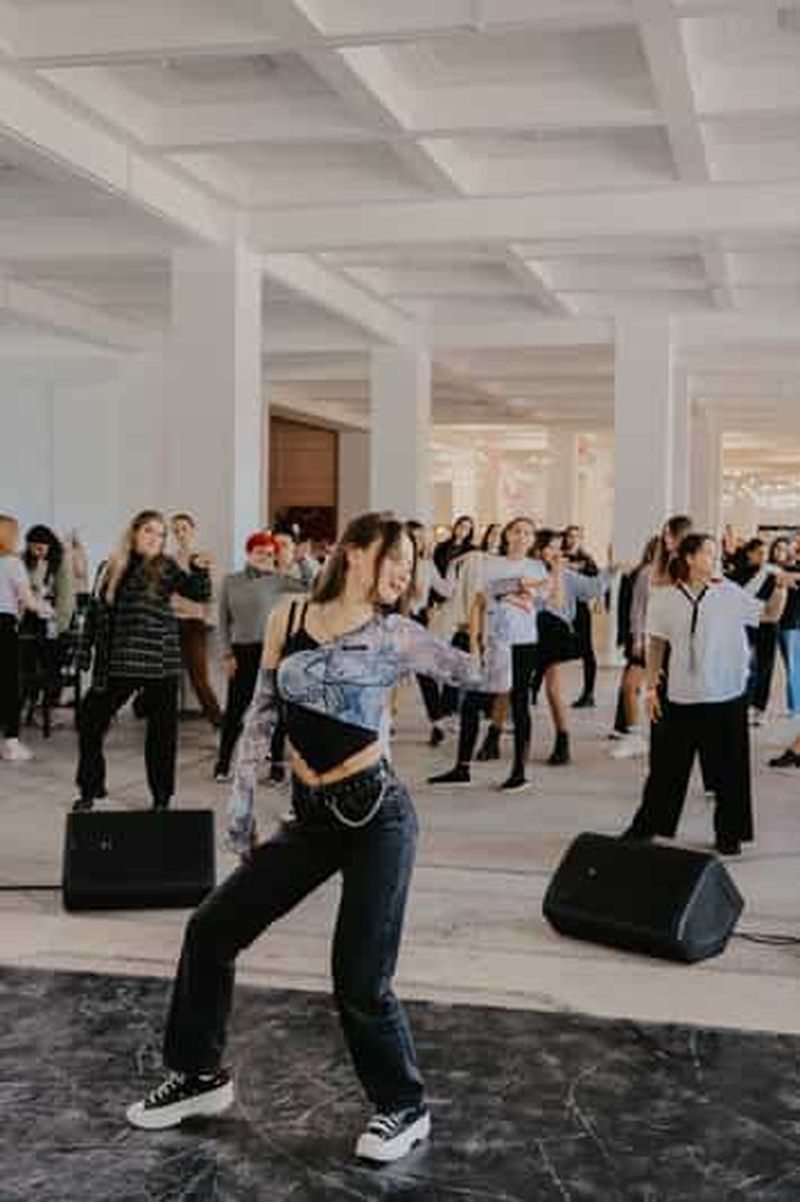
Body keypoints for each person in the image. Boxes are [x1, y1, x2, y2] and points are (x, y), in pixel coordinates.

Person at [126, 513, 484, 1163]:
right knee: (211, 929)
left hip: (380, 816)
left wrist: (486, 616)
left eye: (412, 561)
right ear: (354, 554)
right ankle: (199, 1076)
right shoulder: (289, 617)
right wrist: (240, 809)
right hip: (311, 816)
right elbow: (261, 714)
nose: (405, 570)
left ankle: (403, 1108)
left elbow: (476, 675)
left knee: (359, 977)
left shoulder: (397, 634)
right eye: (396, 557)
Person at [622, 533, 785, 855]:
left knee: (729, 769)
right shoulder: (664, 597)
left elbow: (769, 614)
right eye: (709, 554)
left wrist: (779, 587)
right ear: (690, 558)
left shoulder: (729, 593)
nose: (717, 559)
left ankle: (730, 833)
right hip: (679, 695)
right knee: (666, 769)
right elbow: (657, 642)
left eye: (717, 554)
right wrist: (652, 686)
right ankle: (648, 824)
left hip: (726, 694)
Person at [73, 510, 211, 812]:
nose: (155, 538)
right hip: (119, 661)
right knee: (89, 719)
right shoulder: (110, 567)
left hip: (159, 661)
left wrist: (200, 569)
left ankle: (161, 799)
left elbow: (199, 593)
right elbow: (96, 614)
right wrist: (85, 654)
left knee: (162, 735)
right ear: (134, 532)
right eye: (149, 530)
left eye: (161, 534)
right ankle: (91, 787)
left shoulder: (165, 567)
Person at [428, 516, 551, 790]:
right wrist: (474, 641)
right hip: (492, 642)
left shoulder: (537, 567)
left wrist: (515, 587)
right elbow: (479, 603)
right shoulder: (491, 564)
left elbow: (543, 596)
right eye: (517, 531)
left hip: (523, 644)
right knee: (472, 702)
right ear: (506, 534)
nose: (521, 536)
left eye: (528, 533)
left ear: (532, 540)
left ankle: (519, 773)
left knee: (519, 704)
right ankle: (462, 769)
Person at [213, 531, 305, 782]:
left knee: (274, 709)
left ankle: (276, 765)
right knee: (235, 709)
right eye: (260, 552)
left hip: (272, 650)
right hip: (242, 652)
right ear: (249, 552)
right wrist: (226, 654)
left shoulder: (277, 579)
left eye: (269, 554)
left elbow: (312, 586)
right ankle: (223, 763)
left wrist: (299, 559)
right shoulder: (231, 581)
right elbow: (222, 621)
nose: (265, 557)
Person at [530, 529, 609, 766]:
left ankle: (562, 739)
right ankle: (495, 733)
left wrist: (611, 569)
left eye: (558, 547)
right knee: (513, 686)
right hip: (526, 633)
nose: (556, 552)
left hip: (551, 633)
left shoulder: (566, 575)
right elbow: (538, 600)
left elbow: (591, 589)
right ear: (539, 549)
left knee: (552, 686)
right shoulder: (528, 571)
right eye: (551, 547)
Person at [170, 513, 222, 729]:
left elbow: (210, 593)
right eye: (176, 530)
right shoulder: (170, 560)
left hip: (194, 624)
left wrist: (201, 611)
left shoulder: (204, 556)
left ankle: (219, 723)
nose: (181, 533)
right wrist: (181, 602)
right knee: (168, 676)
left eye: (184, 528)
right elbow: (169, 595)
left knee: (199, 678)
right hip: (172, 623)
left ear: (192, 530)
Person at [609, 535, 659, 759]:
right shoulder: (646, 573)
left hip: (665, 642)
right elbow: (636, 610)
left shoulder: (677, 575)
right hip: (645, 641)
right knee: (630, 686)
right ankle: (634, 735)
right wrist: (637, 639)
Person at [0, 514, 40, 762]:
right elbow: (29, 602)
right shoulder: (13, 563)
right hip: (4, 626)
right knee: (9, 685)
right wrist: (46, 609)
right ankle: (11, 744)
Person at [562, 525, 599, 709]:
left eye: (576, 536)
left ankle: (589, 693)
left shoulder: (588, 560)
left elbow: (596, 585)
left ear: (581, 539)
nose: (572, 539)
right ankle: (534, 690)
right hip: (559, 608)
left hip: (580, 609)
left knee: (587, 651)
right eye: (569, 536)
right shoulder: (558, 555)